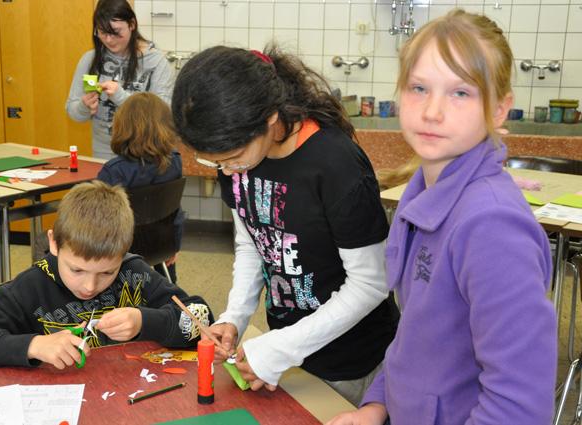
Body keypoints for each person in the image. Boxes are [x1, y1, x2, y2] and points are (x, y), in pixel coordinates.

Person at [326, 9, 557, 425]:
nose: (432, 111)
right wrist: (377, 405)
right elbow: (414, 337)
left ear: (499, 109)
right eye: (419, 87)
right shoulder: (422, 195)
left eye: (460, 92)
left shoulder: (492, 226)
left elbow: (519, 406)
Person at [171, 44, 400, 406]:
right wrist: (236, 316)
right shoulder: (238, 160)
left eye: (232, 159)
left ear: (270, 119)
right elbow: (254, 243)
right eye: (216, 163)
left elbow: (370, 284)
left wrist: (280, 348)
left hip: (349, 363)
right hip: (285, 354)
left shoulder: (335, 164)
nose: (226, 172)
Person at [0, 180, 213, 370]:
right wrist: (34, 346)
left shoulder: (133, 273)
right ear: (54, 243)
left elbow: (202, 318)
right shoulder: (27, 289)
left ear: (123, 253)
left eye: (107, 272)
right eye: (76, 269)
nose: (89, 285)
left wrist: (146, 321)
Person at [65, 0, 175, 159]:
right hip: (103, 150)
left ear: (132, 24)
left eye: (116, 32)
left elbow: (164, 113)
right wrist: (84, 106)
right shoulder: (90, 59)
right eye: (102, 32)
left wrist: (121, 97)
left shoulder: (155, 61)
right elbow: (73, 111)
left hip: (145, 152)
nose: (109, 40)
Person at [96, 92, 184, 283]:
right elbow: (175, 211)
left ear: (123, 125)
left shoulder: (113, 170)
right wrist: (174, 246)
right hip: (162, 247)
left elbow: (97, 222)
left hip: (121, 254)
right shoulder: (175, 161)